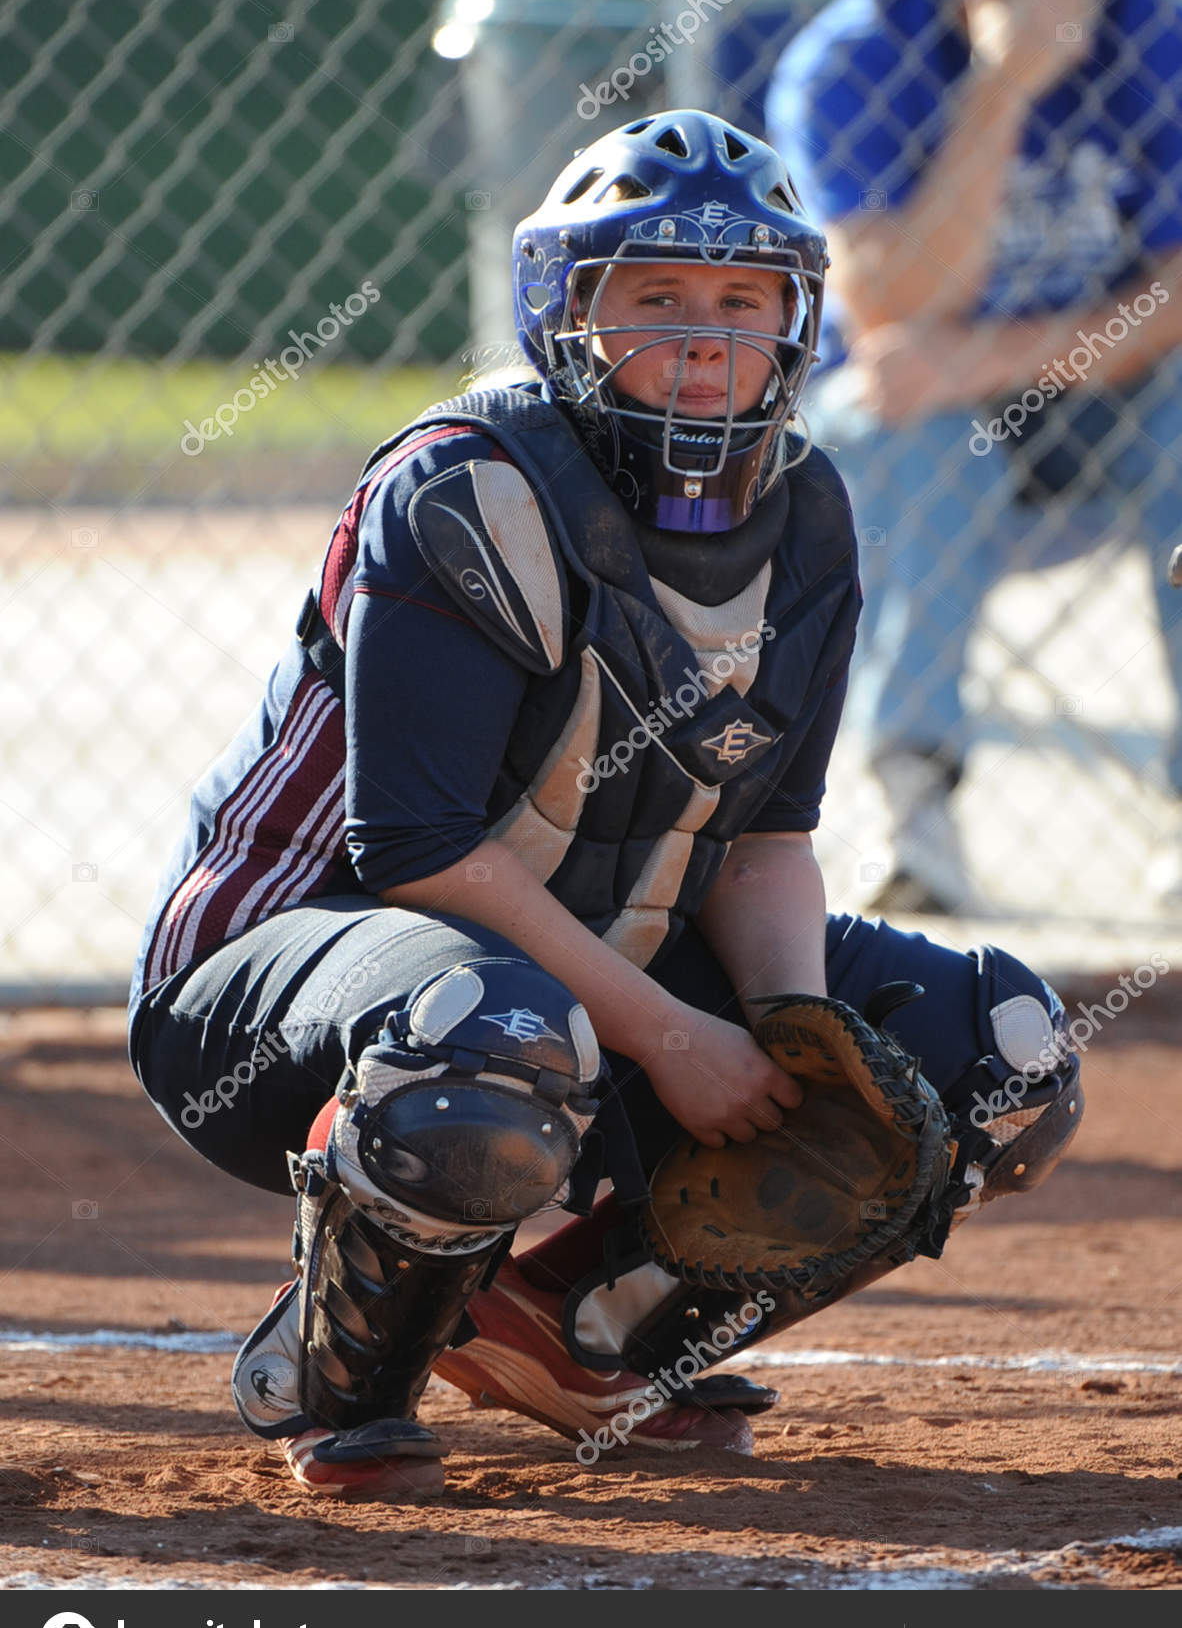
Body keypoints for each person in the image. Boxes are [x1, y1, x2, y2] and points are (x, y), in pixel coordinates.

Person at [128, 110, 1081, 1503]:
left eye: (740, 303)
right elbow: (421, 848)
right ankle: (348, 1378)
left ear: (793, 327)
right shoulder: (463, 488)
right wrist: (677, 1041)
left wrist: (787, 1033)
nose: (704, 338)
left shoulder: (809, 512)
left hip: (574, 967)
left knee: (1004, 1061)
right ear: (567, 311)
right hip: (288, 973)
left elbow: (765, 842)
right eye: (655, 296)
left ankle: (592, 1327)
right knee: (489, 1039)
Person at [767, 0, 1182, 913]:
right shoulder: (852, 61)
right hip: (919, 428)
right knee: (908, 425)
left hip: (1109, 401)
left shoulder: (1157, 32)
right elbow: (893, 309)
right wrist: (1005, 84)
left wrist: (998, 357)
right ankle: (911, 809)